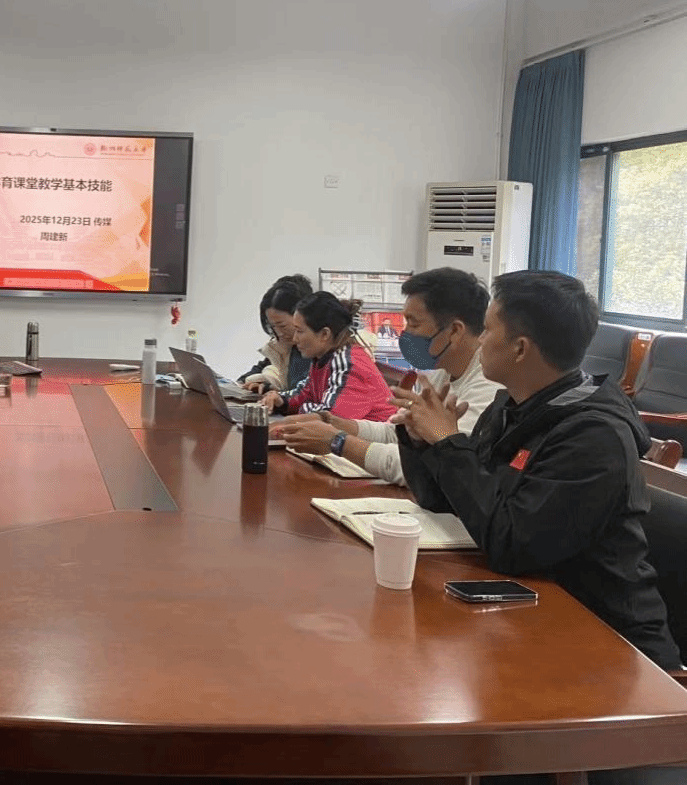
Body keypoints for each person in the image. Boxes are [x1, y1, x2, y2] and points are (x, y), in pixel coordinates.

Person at [398, 270, 680, 672]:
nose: (479, 340)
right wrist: (422, 443)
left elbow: (512, 544)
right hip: (530, 614)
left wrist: (448, 443)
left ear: (520, 349)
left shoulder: (593, 436)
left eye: (488, 330)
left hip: (610, 649)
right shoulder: (510, 406)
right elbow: (448, 503)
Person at [279, 267, 502, 484]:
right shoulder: (440, 371)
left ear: (454, 331)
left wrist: (338, 441)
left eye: (414, 323)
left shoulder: (490, 387)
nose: (405, 334)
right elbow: (397, 433)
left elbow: (434, 469)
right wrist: (332, 422)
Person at [259, 292, 396, 422]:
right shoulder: (322, 358)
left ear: (325, 334)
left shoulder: (349, 363)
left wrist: (303, 409)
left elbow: (332, 418)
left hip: (378, 437)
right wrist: (280, 400)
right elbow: (305, 394)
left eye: (299, 331)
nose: (295, 339)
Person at [239, 274, 313, 392]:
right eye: (273, 326)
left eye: (282, 326)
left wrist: (271, 389)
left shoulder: (310, 349)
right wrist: (241, 383)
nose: (279, 333)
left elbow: (301, 392)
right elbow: (258, 369)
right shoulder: (280, 347)